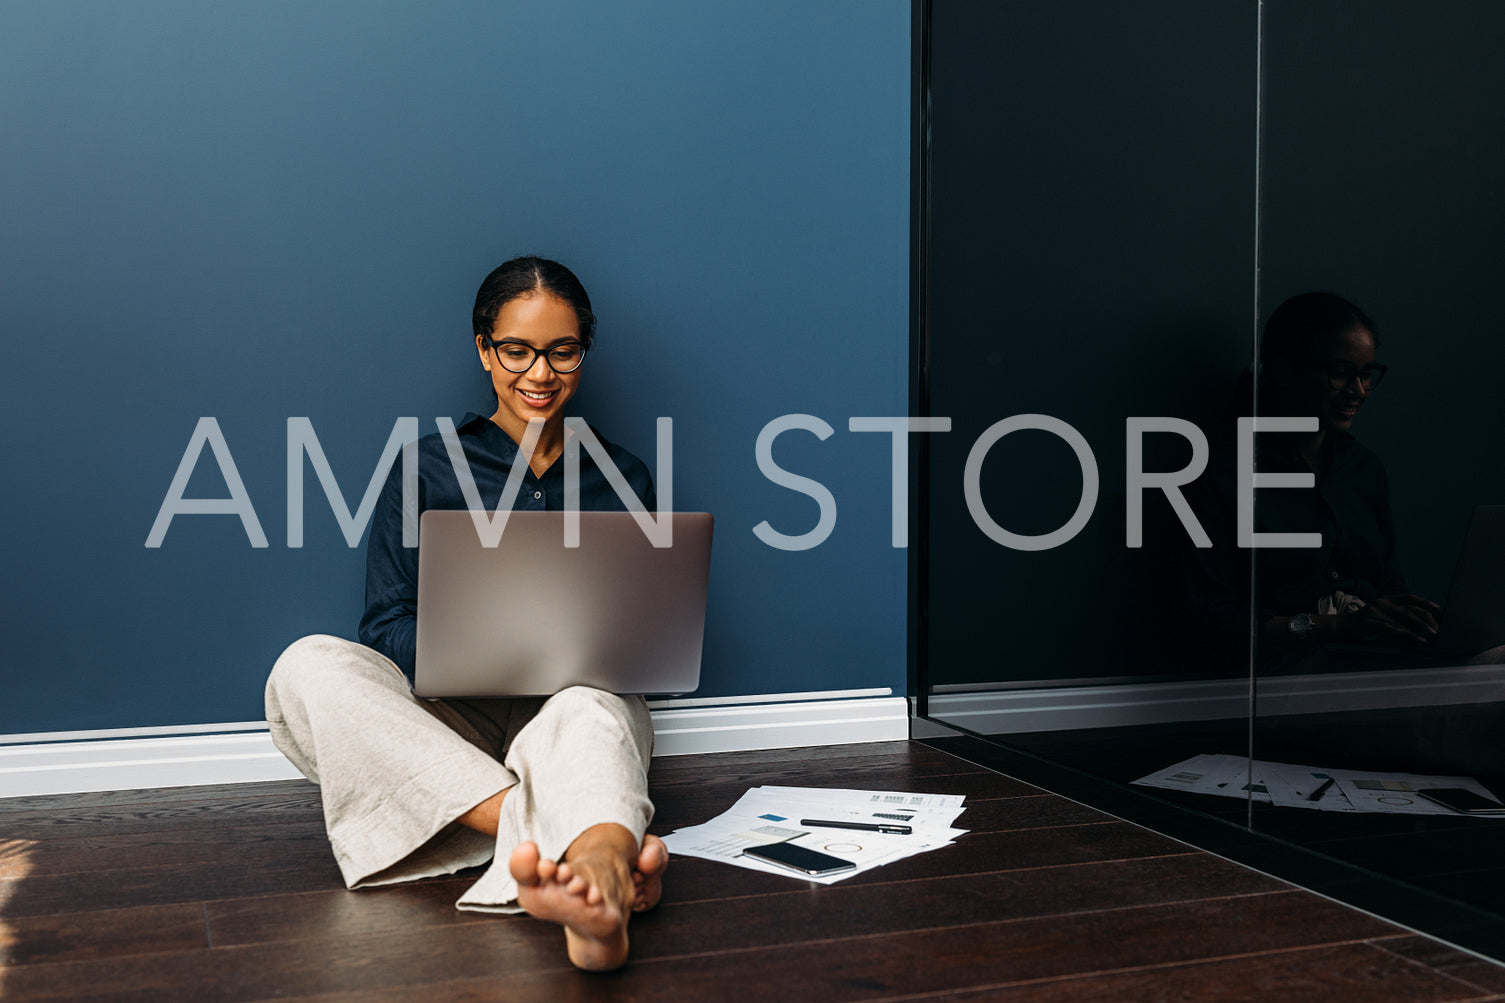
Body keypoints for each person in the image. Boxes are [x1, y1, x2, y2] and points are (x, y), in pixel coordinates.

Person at [265, 256, 667, 971]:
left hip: (570, 712)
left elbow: (646, 635)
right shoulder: (424, 467)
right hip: (450, 720)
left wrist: (592, 654)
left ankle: (597, 893)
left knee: (596, 710)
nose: (538, 373)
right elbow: (384, 624)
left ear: (582, 353)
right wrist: (487, 650)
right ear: (484, 350)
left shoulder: (625, 475)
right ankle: (580, 841)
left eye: (561, 351)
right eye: (516, 350)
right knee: (306, 666)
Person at [1183, 292, 1441, 670]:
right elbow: (1210, 624)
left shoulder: (1363, 470)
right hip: (1282, 680)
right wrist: (1331, 626)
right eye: (1340, 372)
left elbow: (1390, 586)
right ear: (1285, 369)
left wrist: (1411, 617)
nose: (1358, 390)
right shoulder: (1220, 477)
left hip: (1372, 664)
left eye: (1366, 374)